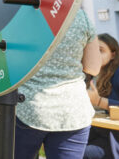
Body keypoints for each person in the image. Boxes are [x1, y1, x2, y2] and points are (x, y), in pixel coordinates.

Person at [15, 8, 102, 159]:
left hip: (29, 105)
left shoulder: (22, 11)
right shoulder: (80, 16)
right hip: (73, 111)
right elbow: (93, 67)